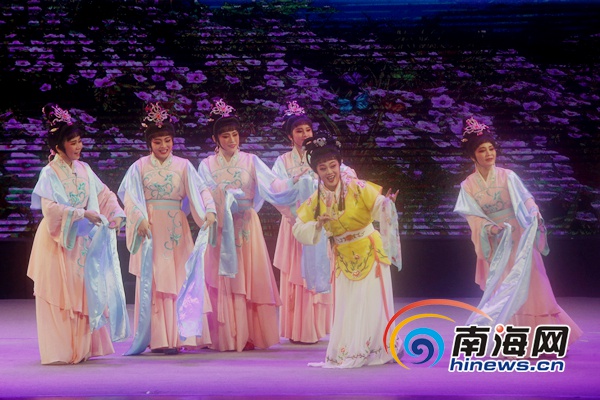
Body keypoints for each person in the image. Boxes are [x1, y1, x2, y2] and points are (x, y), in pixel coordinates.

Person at [454, 117, 582, 350]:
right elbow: (472, 216)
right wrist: (491, 228)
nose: (489, 154)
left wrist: (533, 211)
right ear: (472, 156)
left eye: (491, 148)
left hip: (519, 238)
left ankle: (542, 342)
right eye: (482, 150)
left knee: (533, 285)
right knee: (504, 288)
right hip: (496, 241)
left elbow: (526, 199)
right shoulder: (468, 185)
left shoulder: (508, 176)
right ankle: (511, 340)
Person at [27, 104, 129, 364]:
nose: (78, 147)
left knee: (84, 291)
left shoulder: (84, 169)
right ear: (59, 146)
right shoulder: (49, 173)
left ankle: (83, 348)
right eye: (72, 142)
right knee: (62, 294)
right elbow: (50, 210)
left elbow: (104, 194)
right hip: (57, 241)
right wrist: (82, 214)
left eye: (79, 141)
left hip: (81, 240)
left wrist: (117, 213)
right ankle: (63, 350)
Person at [292, 134, 402, 368]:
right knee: (349, 305)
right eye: (323, 168)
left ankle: (378, 348)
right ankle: (350, 350)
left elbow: (379, 205)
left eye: (333, 165)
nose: (329, 172)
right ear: (316, 171)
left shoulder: (357, 187)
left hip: (369, 251)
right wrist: (318, 224)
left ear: (339, 165)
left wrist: (387, 204)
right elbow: (298, 228)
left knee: (372, 303)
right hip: (343, 256)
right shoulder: (316, 200)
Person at [198, 99, 300, 352]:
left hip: (246, 224)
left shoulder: (251, 161)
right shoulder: (206, 165)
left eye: (235, 134)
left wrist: (294, 182)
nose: (232, 140)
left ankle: (250, 334)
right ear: (216, 139)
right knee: (222, 276)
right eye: (225, 136)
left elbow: (273, 185)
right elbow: (203, 193)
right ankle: (225, 335)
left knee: (249, 276)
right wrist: (219, 201)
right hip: (222, 226)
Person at [119, 103, 216, 355]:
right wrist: (138, 217)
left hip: (176, 229)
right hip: (151, 228)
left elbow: (201, 189)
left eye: (167, 141)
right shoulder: (139, 166)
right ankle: (159, 337)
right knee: (155, 278)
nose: (163, 146)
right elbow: (129, 196)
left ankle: (179, 336)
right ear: (149, 144)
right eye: (158, 142)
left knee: (180, 277)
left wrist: (210, 209)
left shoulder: (183, 165)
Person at [272, 101, 356, 344]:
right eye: (299, 131)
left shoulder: (320, 156)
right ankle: (300, 329)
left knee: (320, 270)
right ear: (290, 136)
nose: (305, 134)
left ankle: (319, 327)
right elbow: (275, 188)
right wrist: (295, 182)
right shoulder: (283, 161)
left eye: (308, 130)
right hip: (296, 225)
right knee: (298, 275)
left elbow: (346, 174)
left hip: (321, 224)